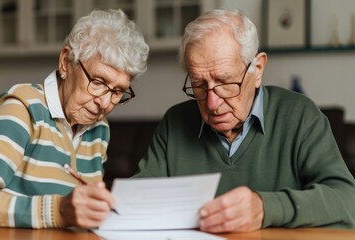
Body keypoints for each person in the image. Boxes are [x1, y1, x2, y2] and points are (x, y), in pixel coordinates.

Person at [134, 9, 355, 233]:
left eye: (225, 82)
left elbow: (347, 202)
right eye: (199, 85)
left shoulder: (300, 115)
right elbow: (136, 203)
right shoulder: (175, 122)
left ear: (257, 70)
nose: (212, 103)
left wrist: (265, 208)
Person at [0, 9, 149, 229]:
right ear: (65, 62)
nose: (105, 103)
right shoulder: (22, 110)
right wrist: (58, 210)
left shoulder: (100, 129)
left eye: (118, 91)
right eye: (98, 82)